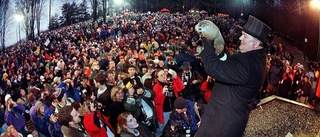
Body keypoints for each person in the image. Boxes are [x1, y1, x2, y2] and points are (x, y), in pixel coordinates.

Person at [195, 15, 271, 136]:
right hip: (221, 120)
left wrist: (207, 44)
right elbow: (231, 67)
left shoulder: (248, 65)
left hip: (221, 127)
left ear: (256, 44)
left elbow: (214, 69)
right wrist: (220, 54)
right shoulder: (255, 58)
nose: (240, 38)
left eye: (245, 36)